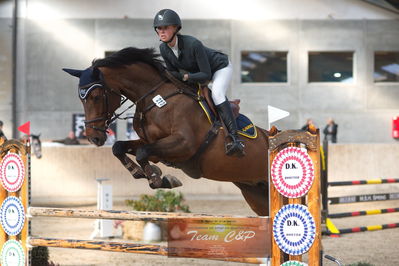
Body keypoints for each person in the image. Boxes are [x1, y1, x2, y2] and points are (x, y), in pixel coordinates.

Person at [153, 9, 244, 157]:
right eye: (159, 28)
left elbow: (206, 75)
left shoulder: (193, 44)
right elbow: (173, 73)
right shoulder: (164, 48)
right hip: (196, 74)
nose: (161, 32)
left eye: (166, 28)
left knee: (217, 94)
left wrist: (186, 77)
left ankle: (235, 139)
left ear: (175, 28)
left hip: (219, 68)